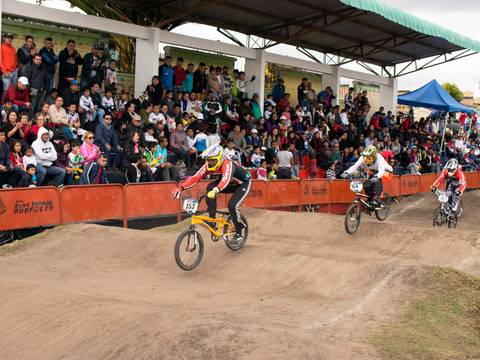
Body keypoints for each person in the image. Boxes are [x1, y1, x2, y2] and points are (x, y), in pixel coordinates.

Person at [173, 144, 251, 244]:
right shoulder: (208, 165)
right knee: (209, 187)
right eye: (208, 160)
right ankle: (212, 221)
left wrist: (216, 190)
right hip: (229, 183)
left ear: (219, 158)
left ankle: (239, 234)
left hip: (242, 184)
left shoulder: (227, 164)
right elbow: (195, 178)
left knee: (232, 205)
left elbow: (225, 180)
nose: (210, 162)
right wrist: (180, 188)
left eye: (212, 160)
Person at [1, 33, 18, 98]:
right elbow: (0, 61)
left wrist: (16, 67)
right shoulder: (1, 47)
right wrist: (4, 72)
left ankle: (9, 106)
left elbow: (15, 59)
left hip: (14, 72)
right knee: (6, 90)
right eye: (8, 37)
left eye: (11, 38)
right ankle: (3, 106)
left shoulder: (13, 48)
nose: (9, 39)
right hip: (6, 72)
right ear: (4, 38)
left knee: (12, 90)